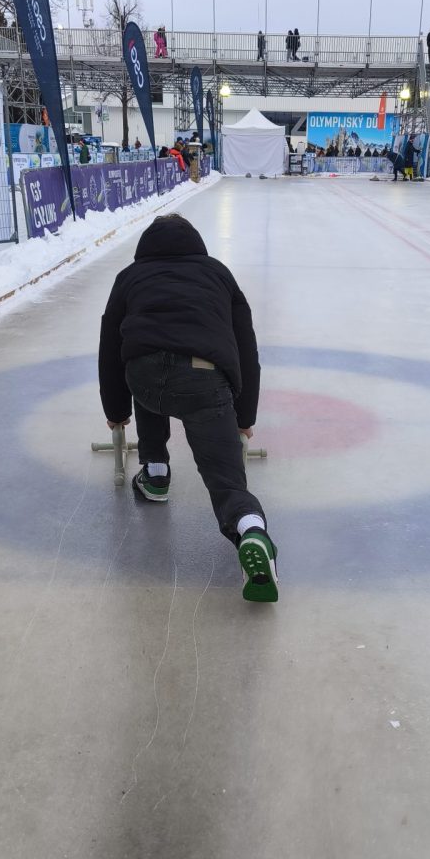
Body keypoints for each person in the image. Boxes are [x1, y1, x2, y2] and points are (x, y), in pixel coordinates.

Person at [98, 214, 278, 602]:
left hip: (144, 377)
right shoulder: (219, 274)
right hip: (204, 379)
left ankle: (156, 472)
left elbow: (110, 347)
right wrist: (244, 417)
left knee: (147, 363)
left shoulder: (130, 277)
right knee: (227, 482)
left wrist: (116, 410)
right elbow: (245, 346)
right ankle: (250, 529)